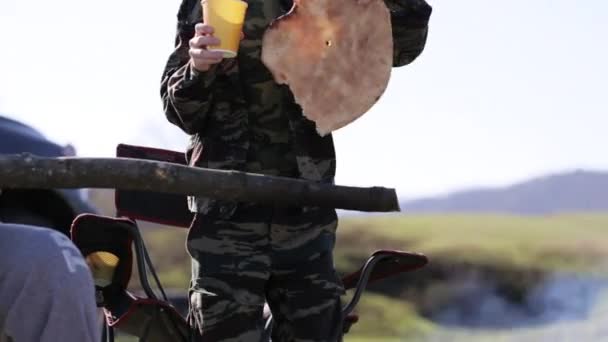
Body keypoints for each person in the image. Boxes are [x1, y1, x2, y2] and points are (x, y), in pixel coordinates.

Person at [160, 0, 432, 340]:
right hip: (228, 219)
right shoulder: (209, 4)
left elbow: (401, 45)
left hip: (304, 213)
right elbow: (180, 112)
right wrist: (197, 69)